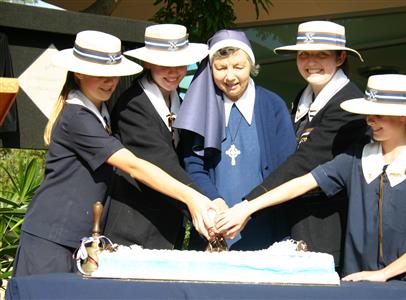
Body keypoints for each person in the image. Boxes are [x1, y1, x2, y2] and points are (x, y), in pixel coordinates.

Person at [216, 74, 406, 298]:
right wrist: (247, 208)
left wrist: (383, 274)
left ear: (403, 117)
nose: (370, 121)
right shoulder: (356, 159)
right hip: (357, 284)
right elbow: (300, 184)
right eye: (369, 114)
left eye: (378, 114)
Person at [13, 30, 215, 276]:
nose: (109, 82)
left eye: (113, 75)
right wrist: (192, 197)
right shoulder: (76, 116)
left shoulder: (100, 111)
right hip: (52, 237)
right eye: (100, 74)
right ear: (78, 73)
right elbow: (133, 165)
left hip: (79, 239)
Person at [242, 21, 369, 265]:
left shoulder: (350, 104)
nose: (311, 62)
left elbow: (305, 161)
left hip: (326, 227)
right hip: (293, 221)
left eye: (321, 55)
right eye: (304, 55)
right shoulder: (304, 96)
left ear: (340, 57)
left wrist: (248, 204)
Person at [175, 30, 296, 250]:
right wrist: (215, 201)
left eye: (238, 67)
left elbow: (286, 168)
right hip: (213, 224)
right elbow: (193, 165)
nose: (230, 77)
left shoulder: (273, 105)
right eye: (221, 68)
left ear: (251, 65)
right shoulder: (199, 108)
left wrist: (250, 208)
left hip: (264, 224)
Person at [103, 24, 210, 250]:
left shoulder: (180, 102)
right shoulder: (132, 107)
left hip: (168, 230)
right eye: (164, 65)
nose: (173, 72)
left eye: (179, 65)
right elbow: (164, 164)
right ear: (148, 63)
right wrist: (207, 209)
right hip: (133, 232)